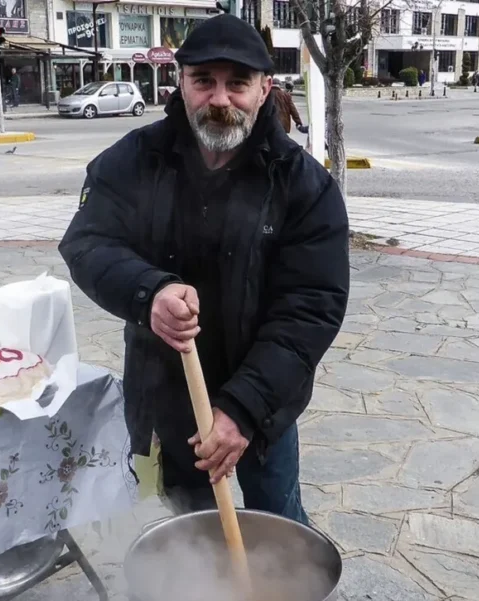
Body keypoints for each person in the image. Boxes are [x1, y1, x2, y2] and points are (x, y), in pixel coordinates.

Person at [58, 14, 349, 525]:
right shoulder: (134, 160)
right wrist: (150, 294)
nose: (220, 99)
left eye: (237, 83)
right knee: (181, 532)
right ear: (181, 83)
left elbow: (310, 308)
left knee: (277, 526)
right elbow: (87, 242)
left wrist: (243, 410)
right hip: (165, 399)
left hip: (263, 406)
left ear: (264, 89)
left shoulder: (304, 187)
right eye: (204, 82)